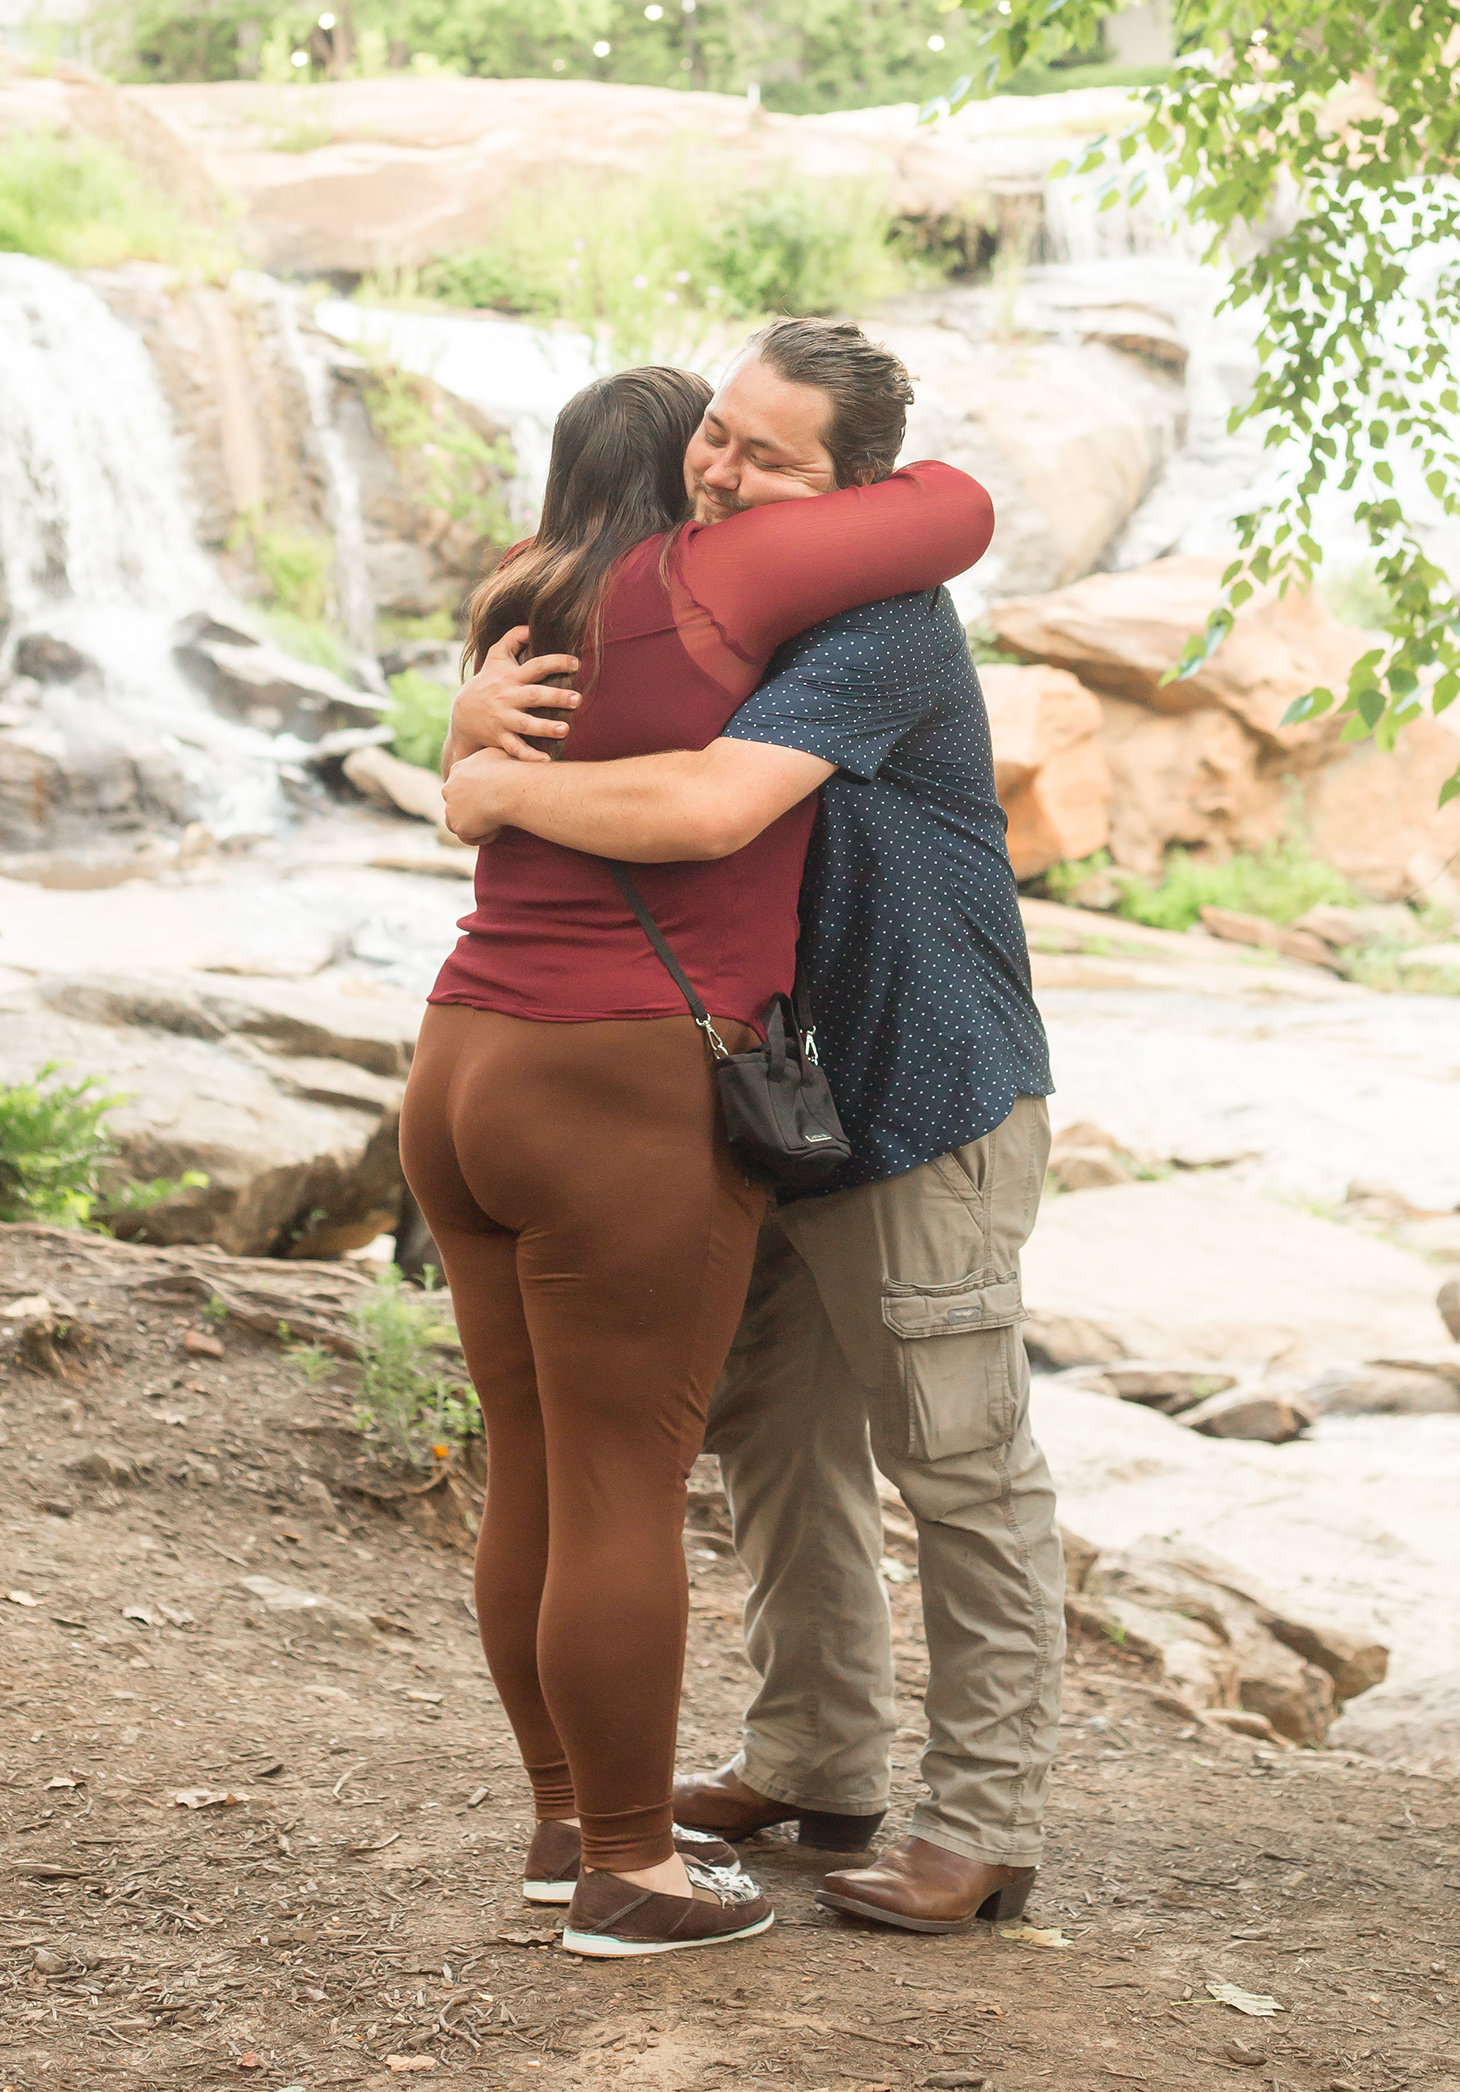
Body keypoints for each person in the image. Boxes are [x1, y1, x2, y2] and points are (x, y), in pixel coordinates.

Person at [441, 316, 1063, 1938]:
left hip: (916, 1084)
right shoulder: (683, 589)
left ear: (847, 492)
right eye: (715, 431)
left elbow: (713, 804)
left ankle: (980, 1823)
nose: (718, 468)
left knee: (955, 1455)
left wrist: (490, 788)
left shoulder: (876, 617)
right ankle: (812, 1754)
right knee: (773, 1443)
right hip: (746, 1090)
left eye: (767, 457)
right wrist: (473, 735)